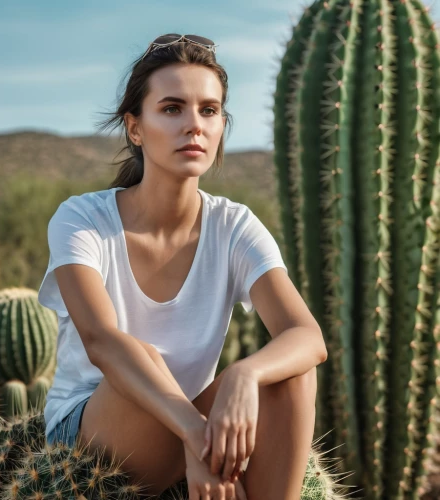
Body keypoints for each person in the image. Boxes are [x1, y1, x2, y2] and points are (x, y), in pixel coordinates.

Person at [37, 33, 327, 500]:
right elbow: (101, 342)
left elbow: (307, 337)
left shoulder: (233, 225)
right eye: (172, 108)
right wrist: (196, 433)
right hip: (91, 436)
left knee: (290, 375)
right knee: (142, 354)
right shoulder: (82, 219)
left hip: (184, 421)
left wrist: (241, 376)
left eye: (209, 110)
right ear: (135, 128)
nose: (194, 125)